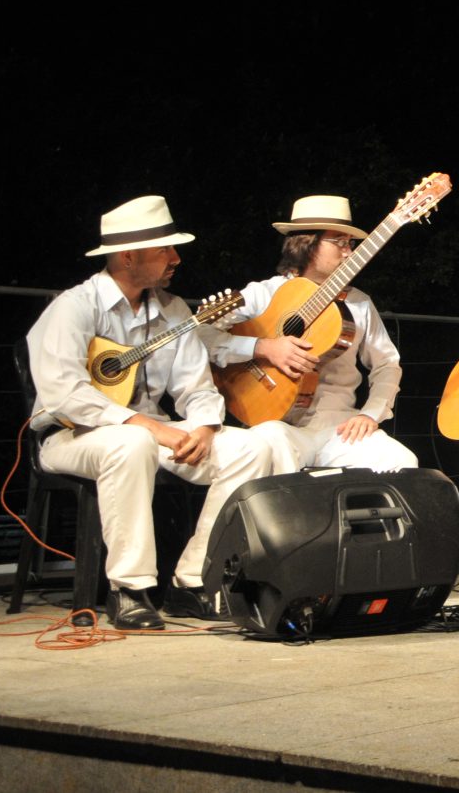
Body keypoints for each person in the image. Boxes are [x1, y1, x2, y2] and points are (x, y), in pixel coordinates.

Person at [24, 196, 281, 629]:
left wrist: (203, 425)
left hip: (151, 433)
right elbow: (64, 392)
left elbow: (195, 386)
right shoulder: (74, 307)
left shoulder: (174, 312)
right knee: (132, 441)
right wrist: (142, 424)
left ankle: (192, 582)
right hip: (71, 436)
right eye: (164, 249)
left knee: (251, 447)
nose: (175, 258)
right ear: (128, 256)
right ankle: (129, 589)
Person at [199, 195, 417, 474]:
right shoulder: (264, 293)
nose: (348, 252)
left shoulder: (359, 303)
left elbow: (387, 363)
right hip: (279, 425)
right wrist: (263, 347)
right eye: (339, 242)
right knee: (269, 448)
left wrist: (370, 413)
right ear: (307, 243)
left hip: (339, 426)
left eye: (350, 244)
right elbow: (202, 338)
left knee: (402, 463)